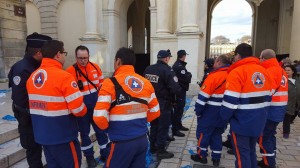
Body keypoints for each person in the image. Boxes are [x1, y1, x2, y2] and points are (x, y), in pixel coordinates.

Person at [93, 47, 160, 168]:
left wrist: (110, 129)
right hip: (142, 140)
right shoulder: (146, 82)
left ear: (118, 61)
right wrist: (138, 122)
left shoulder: (109, 83)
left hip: (121, 143)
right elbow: (155, 111)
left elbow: (98, 117)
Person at [26, 40, 87, 168]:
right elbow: (78, 109)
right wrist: (84, 109)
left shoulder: (32, 77)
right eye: (64, 53)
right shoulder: (64, 77)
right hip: (63, 136)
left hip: (42, 136)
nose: (64, 56)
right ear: (58, 54)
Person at [220, 43, 272, 168]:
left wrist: (224, 117)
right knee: (251, 151)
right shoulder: (264, 71)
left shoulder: (237, 72)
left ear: (238, 55)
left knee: (242, 154)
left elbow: (230, 101)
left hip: (242, 121)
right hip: (259, 120)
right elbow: (269, 96)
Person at [8, 32, 52, 168]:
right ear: (39, 52)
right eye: (46, 52)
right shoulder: (22, 69)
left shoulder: (38, 66)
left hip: (38, 117)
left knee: (42, 147)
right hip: (28, 119)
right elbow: (21, 100)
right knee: (33, 150)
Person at [66, 45, 109, 167]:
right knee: (84, 134)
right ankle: (89, 157)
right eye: (80, 58)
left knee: (101, 131)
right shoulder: (70, 71)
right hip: (82, 110)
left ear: (89, 56)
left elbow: (102, 85)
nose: (83, 60)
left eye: (85, 58)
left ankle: (105, 154)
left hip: (96, 108)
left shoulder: (95, 67)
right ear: (76, 57)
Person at [191, 54, 230, 166]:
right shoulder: (232, 75)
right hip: (223, 112)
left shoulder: (213, 76)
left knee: (204, 135)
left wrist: (198, 111)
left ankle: (201, 156)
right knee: (217, 135)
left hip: (210, 112)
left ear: (219, 62)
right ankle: (216, 158)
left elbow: (203, 97)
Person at [143, 49, 183, 159]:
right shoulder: (167, 70)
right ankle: (160, 150)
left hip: (151, 102)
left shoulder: (148, 69)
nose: (169, 59)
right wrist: (179, 95)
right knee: (163, 126)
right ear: (166, 58)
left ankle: (152, 146)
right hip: (163, 102)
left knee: (154, 125)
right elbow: (175, 88)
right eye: (169, 58)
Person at [257, 49, 288, 168]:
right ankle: (269, 157)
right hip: (279, 109)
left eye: (260, 57)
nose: (259, 60)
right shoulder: (281, 70)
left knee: (264, 137)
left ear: (264, 58)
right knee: (270, 135)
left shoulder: (269, 71)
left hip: (271, 110)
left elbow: (267, 92)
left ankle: (269, 163)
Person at [171, 50, 192, 137]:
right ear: (183, 56)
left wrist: (188, 74)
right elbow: (187, 78)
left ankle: (178, 125)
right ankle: (175, 129)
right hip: (179, 91)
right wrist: (189, 74)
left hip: (180, 90)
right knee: (178, 109)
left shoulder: (179, 65)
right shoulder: (179, 66)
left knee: (180, 108)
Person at [282, 65, 300, 139]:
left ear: (292, 71)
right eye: (285, 70)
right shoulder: (283, 81)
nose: (286, 72)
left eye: (288, 70)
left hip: (297, 103)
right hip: (287, 103)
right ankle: (286, 133)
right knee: (287, 118)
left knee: (292, 117)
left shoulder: (297, 81)